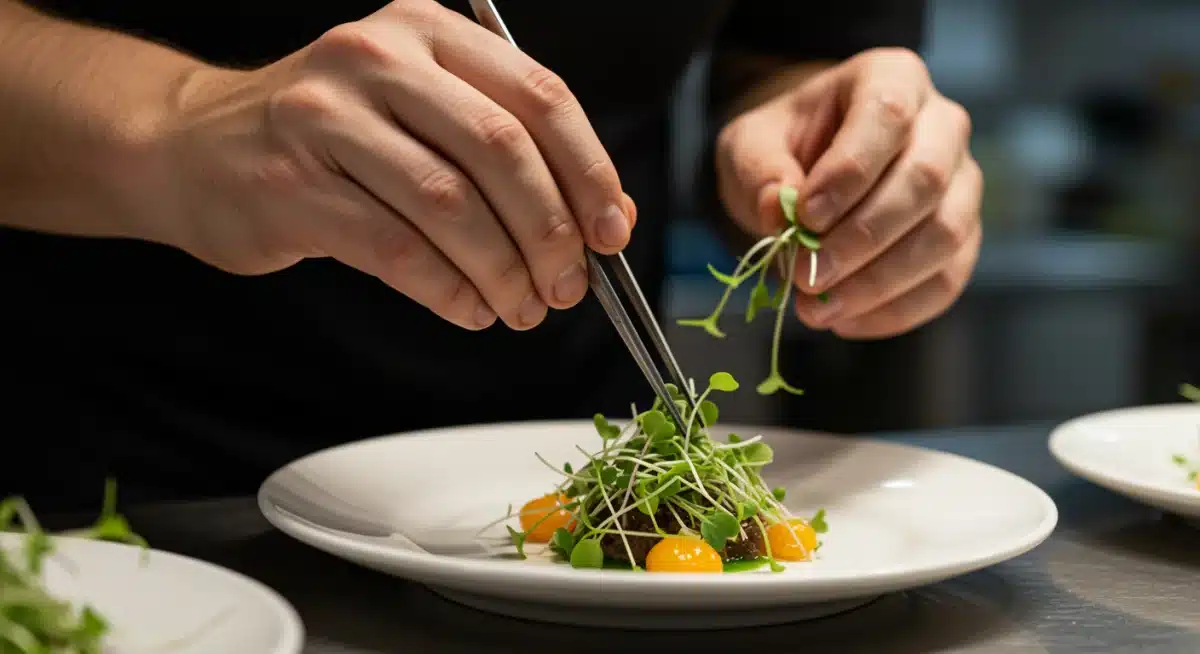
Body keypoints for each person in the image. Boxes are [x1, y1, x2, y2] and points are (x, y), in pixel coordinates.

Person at [0, 0, 981, 511]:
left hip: (581, 513)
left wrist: (826, 157)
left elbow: (789, 47)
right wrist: (171, 127)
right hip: (100, 498)